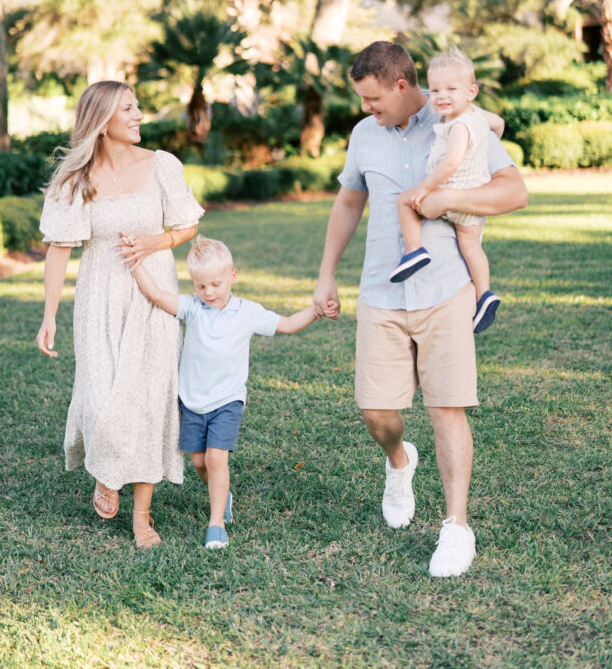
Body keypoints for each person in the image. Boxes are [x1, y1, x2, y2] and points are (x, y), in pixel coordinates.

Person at [313, 41, 527, 578]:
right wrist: (325, 273)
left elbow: (514, 191)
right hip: (381, 293)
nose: (366, 108)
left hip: (446, 288)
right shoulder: (363, 136)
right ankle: (398, 460)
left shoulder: (457, 118)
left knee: (446, 408)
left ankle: (456, 526)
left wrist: (445, 202)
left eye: (372, 98)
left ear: (405, 87)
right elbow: (347, 203)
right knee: (376, 412)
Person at [36, 80, 204, 550]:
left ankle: (142, 515)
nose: (139, 116)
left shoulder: (162, 165)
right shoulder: (78, 178)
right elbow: (58, 250)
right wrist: (49, 315)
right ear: (102, 121)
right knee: (100, 399)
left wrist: (156, 241)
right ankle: (108, 467)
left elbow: (188, 224)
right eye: (128, 109)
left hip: (154, 295)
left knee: (149, 401)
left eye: (138, 107)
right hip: (99, 296)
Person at [130, 235, 321, 550]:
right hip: (193, 402)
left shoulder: (247, 312)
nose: (209, 293)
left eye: (216, 284)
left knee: (216, 458)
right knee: (199, 463)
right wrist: (136, 263)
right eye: (201, 286)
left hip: (227, 401)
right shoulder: (193, 308)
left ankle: (216, 524)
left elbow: (286, 324)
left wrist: (315, 312)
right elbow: (156, 295)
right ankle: (224, 495)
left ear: (233, 276)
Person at [390, 47, 506, 335]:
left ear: (471, 91)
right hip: (473, 201)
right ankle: (485, 294)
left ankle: (415, 251)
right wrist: (485, 140)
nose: (441, 96)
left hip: (452, 195)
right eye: (436, 89)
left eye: (451, 89)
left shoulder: (457, 127)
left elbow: (452, 162)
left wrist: (425, 187)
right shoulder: (477, 118)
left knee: (405, 201)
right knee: (471, 246)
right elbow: (499, 124)